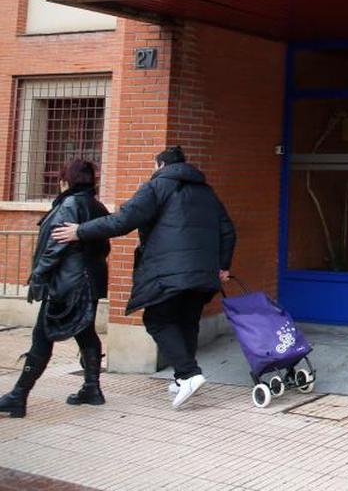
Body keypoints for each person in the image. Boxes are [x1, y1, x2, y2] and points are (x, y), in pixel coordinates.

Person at [53, 146, 235, 410]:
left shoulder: (156, 187)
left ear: (160, 165)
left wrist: (81, 231)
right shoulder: (207, 192)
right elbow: (228, 230)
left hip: (168, 271)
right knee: (187, 321)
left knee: (157, 319)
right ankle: (182, 376)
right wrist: (223, 266)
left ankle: (188, 375)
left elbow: (122, 221)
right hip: (203, 272)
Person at [0, 159, 110, 418]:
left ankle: (18, 395)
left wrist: (38, 276)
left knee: (42, 336)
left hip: (68, 284)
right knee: (85, 332)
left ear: (67, 179)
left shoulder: (70, 204)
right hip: (89, 282)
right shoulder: (96, 205)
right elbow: (103, 246)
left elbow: (56, 246)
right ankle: (91, 388)